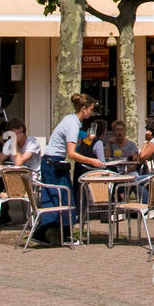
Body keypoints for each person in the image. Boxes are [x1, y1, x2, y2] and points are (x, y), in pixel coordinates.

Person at [37, 94, 107, 242]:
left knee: (60, 197)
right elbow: (71, 153)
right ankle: (49, 233)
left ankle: (56, 234)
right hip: (54, 163)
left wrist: (89, 140)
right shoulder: (73, 125)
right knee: (62, 197)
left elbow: (76, 142)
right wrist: (92, 161)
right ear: (84, 109)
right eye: (91, 109)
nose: (92, 112)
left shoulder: (70, 119)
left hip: (52, 162)